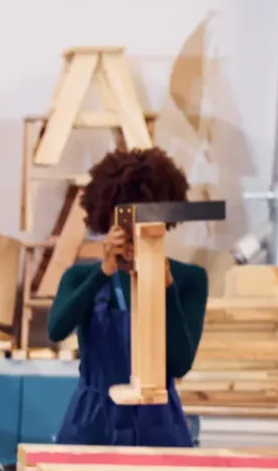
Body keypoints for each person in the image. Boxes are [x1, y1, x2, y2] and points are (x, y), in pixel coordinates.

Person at [47, 146, 209, 448]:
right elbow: (56, 329)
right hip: (92, 418)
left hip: (158, 421)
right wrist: (103, 272)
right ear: (107, 216)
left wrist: (166, 289)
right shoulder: (81, 277)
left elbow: (179, 363)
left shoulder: (190, 279)